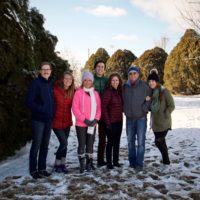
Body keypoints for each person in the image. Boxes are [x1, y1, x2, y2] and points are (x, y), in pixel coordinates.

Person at [26, 62, 54, 179]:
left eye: (48, 69)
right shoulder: (36, 83)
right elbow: (29, 101)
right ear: (40, 71)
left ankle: (42, 168)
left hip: (48, 119)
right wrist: (41, 109)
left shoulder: (49, 84)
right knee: (36, 145)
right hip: (38, 120)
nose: (46, 71)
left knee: (45, 145)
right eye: (44, 69)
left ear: (50, 71)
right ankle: (33, 170)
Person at [123, 66, 151, 171]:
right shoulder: (125, 86)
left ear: (138, 74)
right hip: (129, 119)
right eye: (130, 74)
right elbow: (122, 98)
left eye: (134, 73)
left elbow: (149, 99)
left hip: (141, 119)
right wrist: (124, 109)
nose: (132, 75)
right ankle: (132, 163)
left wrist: (144, 109)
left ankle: (139, 164)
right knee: (130, 142)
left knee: (140, 142)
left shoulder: (144, 86)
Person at [72, 71, 101, 173]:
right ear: (83, 81)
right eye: (85, 80)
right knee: (82, 144)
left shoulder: (95, 94)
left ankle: (89, 163)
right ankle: (82, 164)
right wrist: (84, 120)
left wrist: (96, 119)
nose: (87, 82)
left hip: (92, 124)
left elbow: (98, 109)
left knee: (90, 144)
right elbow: (75, 109)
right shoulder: (78, 93)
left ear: (92, 81)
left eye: (89, 80)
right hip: (81, 124)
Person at [147, 69, 175, 170]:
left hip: (164, 122)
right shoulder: (152, 93)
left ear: (157, 81)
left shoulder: (164, 91)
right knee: (161, 142)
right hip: (155, 123)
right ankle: (165, 161)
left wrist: (165, 113)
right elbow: (152, 107)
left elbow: (171, 105)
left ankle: (166, 161)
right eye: (149, 81)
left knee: (158, 142)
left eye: (153, 81)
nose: (151, 83)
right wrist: (148, 100)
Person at [52, 72, 75, 174]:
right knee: (64, 142)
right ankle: (57, 164)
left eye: (70, 79)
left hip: (67, 121)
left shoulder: (72, 91)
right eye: (66, 78)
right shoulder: (55, 89)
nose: (68, 81)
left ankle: (62, 164)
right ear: (62, 79)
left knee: (65, 144)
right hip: (56, 121)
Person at [102, 73, 123, 169]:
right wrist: (107, 122)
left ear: (119, 81)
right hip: (111, 122)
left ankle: (116, 161)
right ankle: (109, 162)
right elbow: (104, 108)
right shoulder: (107, 92)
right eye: (113, 80)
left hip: (119, 121)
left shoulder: (119, 92)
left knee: (117, 142)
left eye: (117, 80)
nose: (115, 82)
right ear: (110, 82)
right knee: (110, 142)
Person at [93, 60, 108, 167]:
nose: (100, 68)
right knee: (90, 138)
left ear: (104, 69)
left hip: (103, 113)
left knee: (102, 138)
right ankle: (87, 160)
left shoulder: (107, 80)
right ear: (95, 68)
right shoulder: (91, 79)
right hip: (91, 113)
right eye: (98, 66)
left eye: (102, 67)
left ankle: (100, 160)